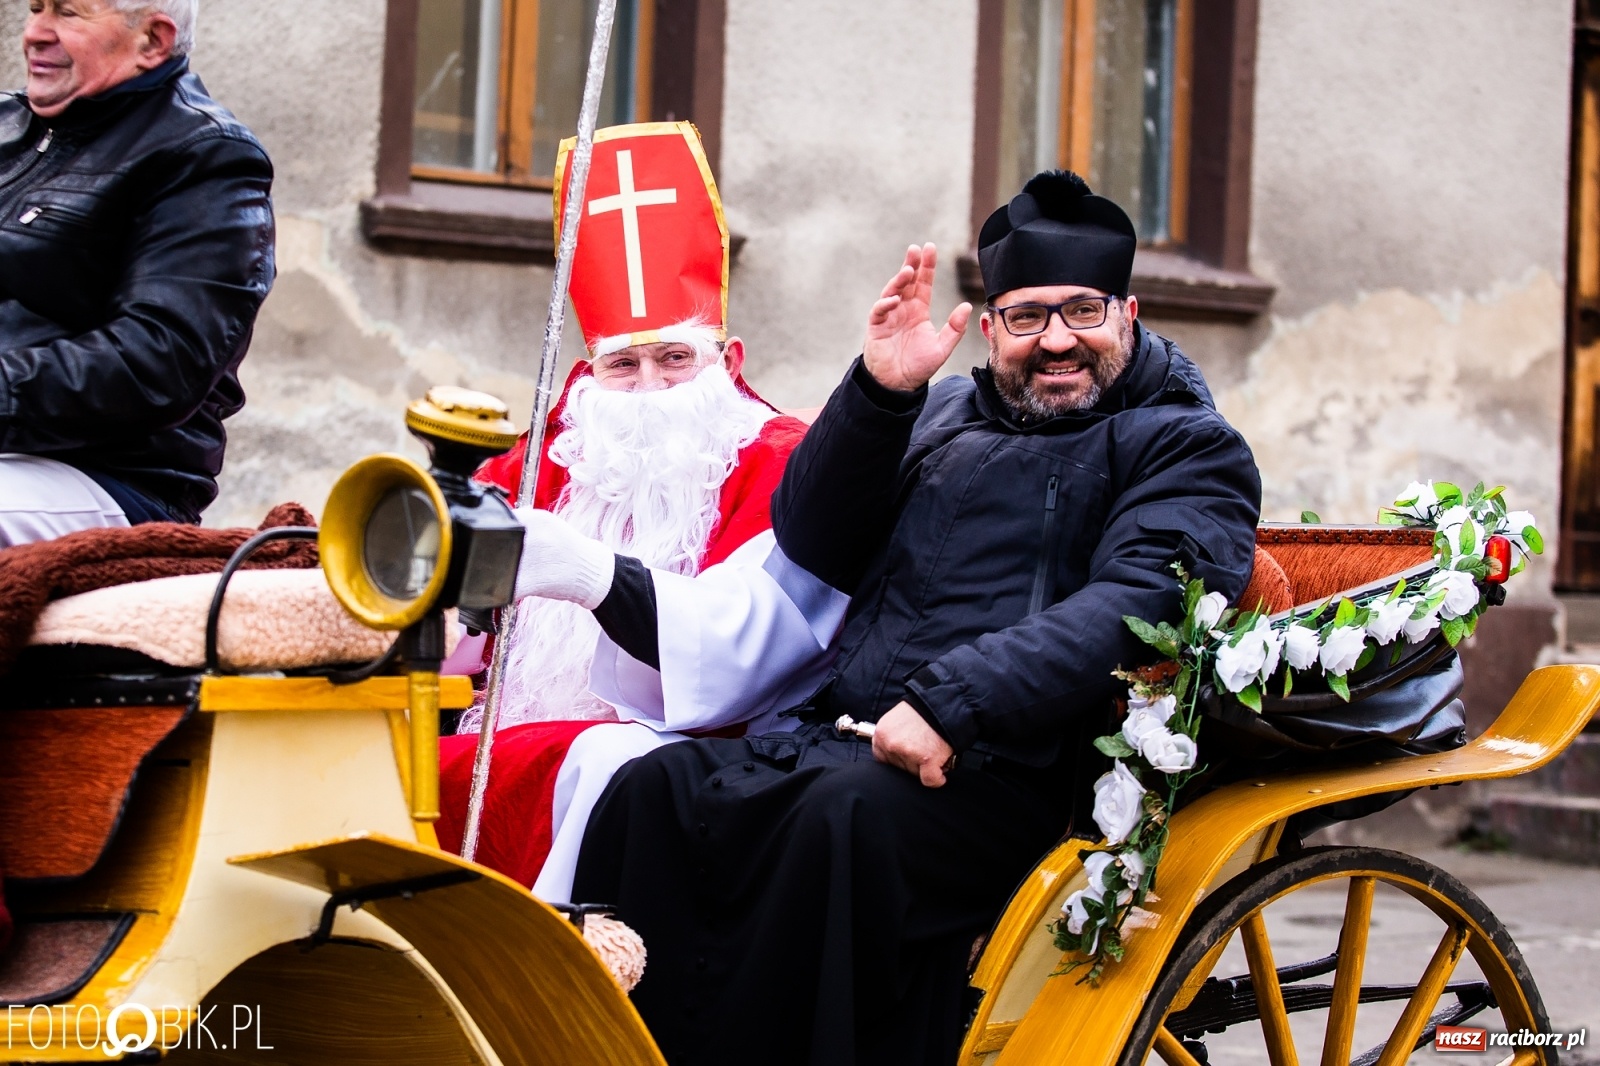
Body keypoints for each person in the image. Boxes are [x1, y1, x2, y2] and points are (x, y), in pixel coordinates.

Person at [569, 171, 1264, 1065]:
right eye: (1026, 316)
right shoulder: (941, 411)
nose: (1056, 340)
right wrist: (878, 394)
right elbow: (813, 538)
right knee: (648, 793)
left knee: (835, 827)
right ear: (990, 328)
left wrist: (953, 702)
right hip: (848, 739)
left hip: (1016, 773)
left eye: (1082, 311)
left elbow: (1142, 601)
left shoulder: (1185, 443)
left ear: (1127, 313)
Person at [434, 123, 813, 902]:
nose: (647, 390)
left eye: (676, 358)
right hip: (506, 727)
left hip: (689, 746)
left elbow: (754, 647)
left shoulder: (778, 458)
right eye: (623, 364)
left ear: (727, 361)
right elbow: (452, 607)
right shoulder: (547, 456)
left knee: (611, 765)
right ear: (587, 371)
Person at [0, 0, 275, 546]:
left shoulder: (208, 158)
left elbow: (156, 359)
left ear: (153, 41)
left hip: (105, 481)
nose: (35, 33)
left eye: (69, 13)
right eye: (36, 8)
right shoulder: (6, 125)